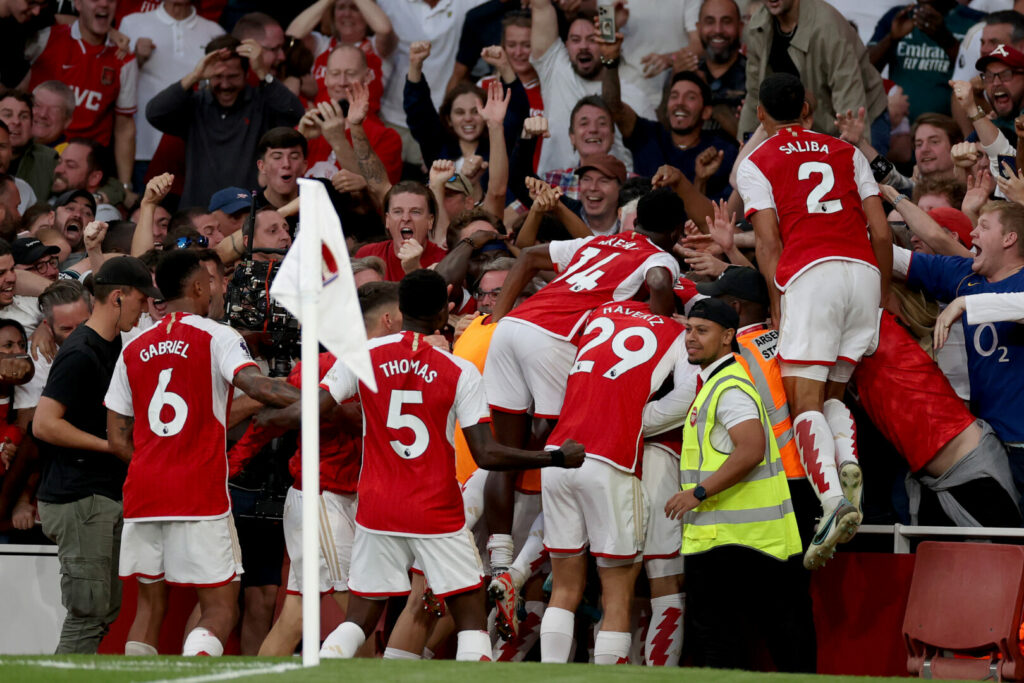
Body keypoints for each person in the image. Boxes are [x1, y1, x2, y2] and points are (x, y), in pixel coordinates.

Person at [308, 269, 584, 660]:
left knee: (359, 619)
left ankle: (324, 668)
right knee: (470, 618)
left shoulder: (363, 357)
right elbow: (488, 454)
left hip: (377, 507)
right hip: (436, 510)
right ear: (444, 313)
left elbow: (317, 409)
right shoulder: (459, 371)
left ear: (399, 309)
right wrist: (555, 457)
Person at [482, 187, 682, 617]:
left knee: (505, 449)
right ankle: (529, 564)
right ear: (676, 231)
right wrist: (659, 324)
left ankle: (499, 562)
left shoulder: (598, 240)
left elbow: (529, 255)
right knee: (567, 451)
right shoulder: (660, 257)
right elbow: (662, 282)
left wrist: (496, 318)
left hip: (512, 326)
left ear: (634, 221)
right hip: (556, 340)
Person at [104, 249, 300, 657]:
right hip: (199, 492)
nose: (214, 290)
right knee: (219, 608)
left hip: (144, 493)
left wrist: (155, 463)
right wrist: (316, 401)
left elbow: (119, 439)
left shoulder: (134, 346)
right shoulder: (217, 335)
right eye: (210, 283)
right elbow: (258, 387)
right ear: (197, 287)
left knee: (149, 607)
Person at [737, 73, 892, 569]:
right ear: (808, 107)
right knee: (833, 393)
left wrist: (778, 294)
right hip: (863, 273)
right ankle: (847, 465)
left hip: (810, 273)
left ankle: (830, 502)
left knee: (803, 397)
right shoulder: (847, 151)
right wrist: (881, 298)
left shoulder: (757, 161)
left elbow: (767, 241)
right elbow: (882, 231)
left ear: (760, 114)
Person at [539, 299, 684, 666]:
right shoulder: (678, 332)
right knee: (617, 593)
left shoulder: (601, 312)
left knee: (565, 587)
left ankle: (550, 676)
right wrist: (633, 419)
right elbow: (685, 398)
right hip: (611, 461)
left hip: (559, 453)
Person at [665, 297, 805, 671]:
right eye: (688, 329)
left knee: (723, 644)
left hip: (736, 540)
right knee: (761, 641)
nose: (691, 338)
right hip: (738, 538)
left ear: (728, 336)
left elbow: (752, 448)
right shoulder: (718, 383)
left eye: (702, 331)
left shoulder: (728, 388)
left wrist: (698, 492)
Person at [32, 257, 158, 654]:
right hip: (79, 497)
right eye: (140, 301)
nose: (143, 311)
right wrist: (112, 447)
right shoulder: (80, 352)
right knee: (89, 613)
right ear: (118, 297)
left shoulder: (113, 346)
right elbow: (44, 424)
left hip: (97, 494)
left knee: (102, 611)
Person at [897, 200, 1024, 494]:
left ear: (1009, 238)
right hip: (989, 441)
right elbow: (896, 259)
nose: (973, 233)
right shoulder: (965, 275)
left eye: (984, 226)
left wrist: (965, 304)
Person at [145, 34, 304, 208]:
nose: (225, 84)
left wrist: (262, 72)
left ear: (245, 74)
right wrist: (195, 76)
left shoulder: (262, 104)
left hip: (248, 213)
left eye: (233, 76)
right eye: (218, 76)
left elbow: (295, 114)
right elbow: (155, 113)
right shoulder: (194, 105)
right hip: (200, 215)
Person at [738, 0, 889, 153]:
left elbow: (850, 100)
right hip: (809, 123)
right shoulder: (759, 23)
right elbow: (755, 95)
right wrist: (744, 152)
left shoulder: (827, 25)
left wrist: (856, 158)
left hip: (862, 118)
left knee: (862, 170)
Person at [28, 0, 139, 195]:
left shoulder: (124, 58)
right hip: (37, 159)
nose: (104, 4)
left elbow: (124, 126)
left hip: (88, 174)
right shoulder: (45, 38)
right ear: (77, 3)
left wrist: (125, 186)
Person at [528, 0, 651, 174]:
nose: (583, 46)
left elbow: (651, 156)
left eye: (592, 39)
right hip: (555, 192)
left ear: (605, 42)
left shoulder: (635, 97)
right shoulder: (554, 68)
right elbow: (541, 6)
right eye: (575, 40)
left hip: (613, 194)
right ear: (566, 45)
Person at [117, 0, 225, 189]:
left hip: (195, 152)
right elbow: (118, 82)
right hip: (144, 148)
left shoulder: (214, 31)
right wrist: (137, 58)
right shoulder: (131, 23)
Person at [868, 0, 982, 122]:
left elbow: (980, 74)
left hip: (951, 130)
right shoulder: (897, 16)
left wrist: (945, 39)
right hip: (899, 128)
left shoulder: (975, 20)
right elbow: (864, 71)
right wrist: (891, 38)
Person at [353, 181, 447, 281]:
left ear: (430, 221)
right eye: (398, 211)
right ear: (387, 220)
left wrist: (414, 269)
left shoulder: (444, 261)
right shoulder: (367, 254)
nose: (406, 218)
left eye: (415, 212)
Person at [694, 0, 747, 138]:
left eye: (727, 21)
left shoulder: (756, 75)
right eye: (710, 22)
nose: (718, 30)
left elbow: (762, 140)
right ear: (698, 27)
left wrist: (718, 111)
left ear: (740, 28)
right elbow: (664, 134)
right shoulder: (686, 72)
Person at [30, 80, 74, 149]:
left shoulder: (67, 156)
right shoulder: (9, 143)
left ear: (67, 122)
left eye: (54, 110)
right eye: (37, 105)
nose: (43, 114)